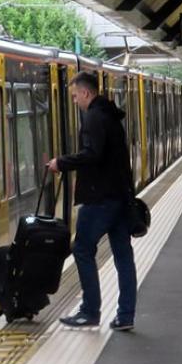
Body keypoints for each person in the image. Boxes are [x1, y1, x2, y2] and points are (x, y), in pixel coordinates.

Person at [47, 71, 137, 331]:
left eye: (75, 96)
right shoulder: (110, 115)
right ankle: (125, 316)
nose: (75, 101)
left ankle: (90, 310)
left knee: (82, 249)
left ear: (86, 93)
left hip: (100, 199)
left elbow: (92, 154)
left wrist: (61, 162)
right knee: (123, 257)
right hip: (119, 197)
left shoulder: (93, 118)